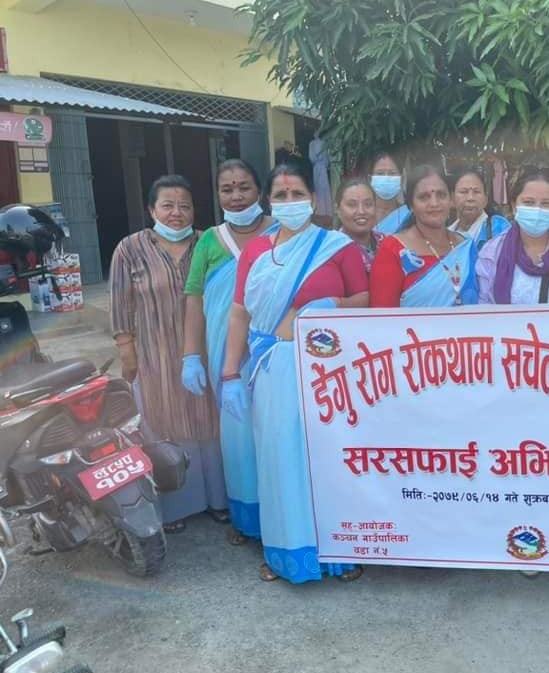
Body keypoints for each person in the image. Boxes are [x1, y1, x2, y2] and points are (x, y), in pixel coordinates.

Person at [220, 163, 370, 584]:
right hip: (274, 369)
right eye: (281, 196)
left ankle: (339, 552)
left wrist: (332, 306)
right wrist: (229, 374)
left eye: (298, 193)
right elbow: (239, 314)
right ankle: (286, 553)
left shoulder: (337, 247)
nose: (290, 202)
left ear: (314, 198)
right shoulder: (255, 252)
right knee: (282, 459)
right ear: (269, 202)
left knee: (328, 457)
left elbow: (364, 299)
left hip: (329, 370)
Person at [110, 175, 225, 534]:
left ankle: (218, 500)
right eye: (168, 205)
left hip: (204, 351)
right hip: (154, 356)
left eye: (185, 206)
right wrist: (127, 353)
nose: (177, 213)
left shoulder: (210, 242)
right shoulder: (129, 249)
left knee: (209, 424)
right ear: (151, 209)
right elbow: (119, 305)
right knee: (163, 426)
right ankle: (175, 507)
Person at [181, 159, 275, 544]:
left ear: (259, 191)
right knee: (237, 439)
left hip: (273, 353)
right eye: (227, 189)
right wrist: (191, 355)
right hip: (227, 356)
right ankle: (248, 520)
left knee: (276, 434)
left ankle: (282, 516)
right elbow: (194, 300)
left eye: (244, 187)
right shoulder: (208, 241)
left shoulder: (281, 232)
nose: (236, 196)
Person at [369, 165, 478, 308]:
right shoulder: (393, 250)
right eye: (424, 197)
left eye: (441, 195)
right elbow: (382, 315)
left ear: (451, 200)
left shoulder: (466, 246)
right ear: (411, 205)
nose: (434, 203)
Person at [476, 169, 549, 305]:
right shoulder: (492, 252)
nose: (537, 210)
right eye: (529, 202)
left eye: (546, 204)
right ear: (514, 206)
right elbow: (484, 308)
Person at [449, 168, 510, 250]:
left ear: (485, 200)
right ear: (452, 198)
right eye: (464, 192)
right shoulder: (445, 235)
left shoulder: (499, 228)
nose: (470, 198)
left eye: (476, 192)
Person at [336, 178, 384, 273]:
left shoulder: (386, 242)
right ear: (338, 210)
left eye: (368, 204)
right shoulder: (333, 249)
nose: (361, 211)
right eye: (352, 205)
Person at [370, 152, 410, 234]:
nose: (386, 178)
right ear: (370, 179)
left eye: (392, 173)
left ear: (401, 179)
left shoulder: (409, 215)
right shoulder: (363, 213)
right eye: (380, 173)